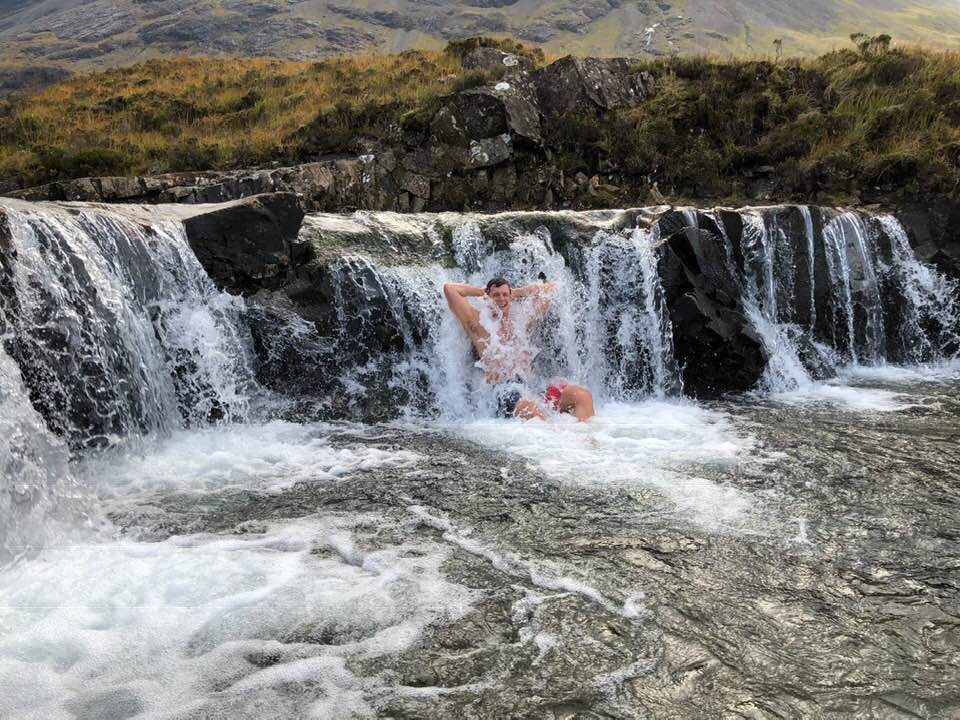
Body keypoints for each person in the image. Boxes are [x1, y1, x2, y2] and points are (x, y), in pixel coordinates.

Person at [442, 277, 596, 421]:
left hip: (531, 387)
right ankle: (557, 444)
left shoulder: (521, 321)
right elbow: (450, 289)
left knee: (582, 396)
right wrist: (482, 292)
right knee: (533, 411)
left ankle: (585, 441)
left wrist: (517, 292)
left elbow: (551, 289)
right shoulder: (478, 322)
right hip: (502, 392)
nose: (501, 299)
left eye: (505, 295)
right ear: (488, 297)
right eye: (496, 295)